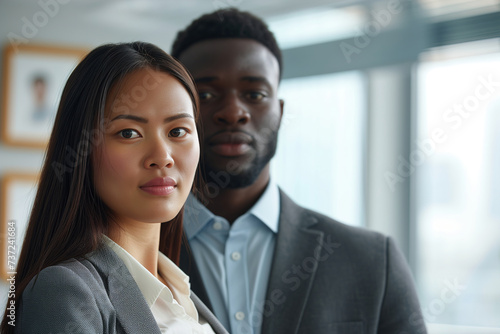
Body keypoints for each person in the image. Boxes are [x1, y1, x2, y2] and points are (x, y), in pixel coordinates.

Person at [171, 8, 427, 334]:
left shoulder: (373, 263)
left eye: (255, 94)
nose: (233, 112)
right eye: (205, 94)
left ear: (279, 112)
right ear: (175, 111)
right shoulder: (123, 260)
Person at [1, 42, 228, 334]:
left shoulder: (181, 291)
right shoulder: (65, 291)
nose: (162, 156)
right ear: (81, 150)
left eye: (177, 131)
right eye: (128, 133)